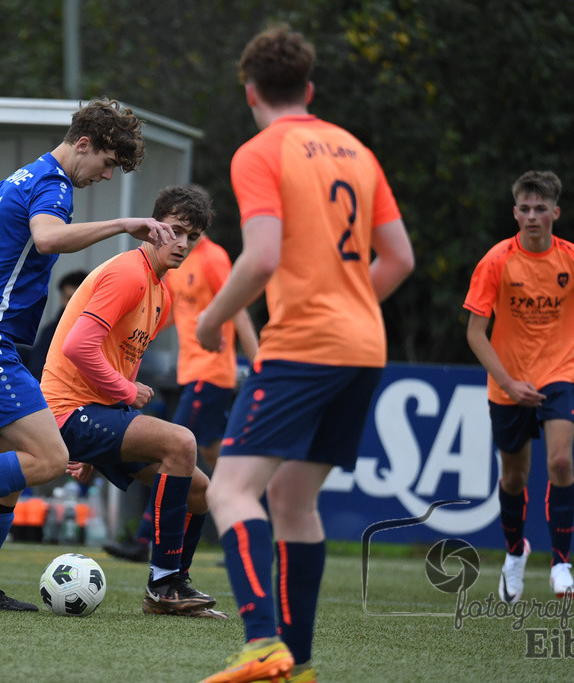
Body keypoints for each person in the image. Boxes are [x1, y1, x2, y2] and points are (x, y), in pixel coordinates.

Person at [0, 98, 175, 612]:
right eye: (107, 163)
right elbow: (46, 240)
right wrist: (120, 225)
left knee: (13, 466)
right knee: (51, 458)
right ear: (83, 144)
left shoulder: (24, 175)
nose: (106, 176)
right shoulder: (54, 186)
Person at [194, 25, 415, 683]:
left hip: (305, 347)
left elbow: (261, 257)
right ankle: (299, 662)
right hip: (362, 347)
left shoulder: (260, 151)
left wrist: (213, 319)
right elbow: (399, 257)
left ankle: (261, 643)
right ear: (309, 88)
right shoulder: (355, 149)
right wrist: (349, 304)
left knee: (231, 490)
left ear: (250, 90)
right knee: (293, 499)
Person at [40, 184, 224, 617]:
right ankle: (163, 585)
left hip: (98, 415)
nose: (181, 244)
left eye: (191, 237)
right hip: (66, 411)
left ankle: (171, 589)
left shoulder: (163, 292)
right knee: (181, 443)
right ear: (151, 229)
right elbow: (78, 346)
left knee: (199, 490)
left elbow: (124, 359)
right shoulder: (128, 272)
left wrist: (100, 443)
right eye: (174, 231)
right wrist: (125, 394)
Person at [464, 170, 574, 604]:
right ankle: (516, 553)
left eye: (541, 209)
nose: (532, 216)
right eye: (525, 208)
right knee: (514, 477)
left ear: (556, 212)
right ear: (514, 212)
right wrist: (507, 382)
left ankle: (560, 565)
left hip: (560, 373)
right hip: (509, 384)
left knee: (559, 461)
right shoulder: (496, 261)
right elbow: (475, 333)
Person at [103, 232, 258, 563]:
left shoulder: (214, 258)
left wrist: (257, 365)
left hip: (211, 372)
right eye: (177, 227)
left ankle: (144, 539)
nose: (181, 236)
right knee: (226, 465)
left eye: (190, 227)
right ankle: (248, 540)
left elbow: (238, 310)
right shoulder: (179, 262)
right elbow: (169, 311)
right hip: (193, 372)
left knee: (171, 451)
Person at [22, 269, 88, 381]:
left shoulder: (104, 330)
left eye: (76, 298)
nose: (71, 304)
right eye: (68, 298)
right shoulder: (51, 331)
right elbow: (37, 368)